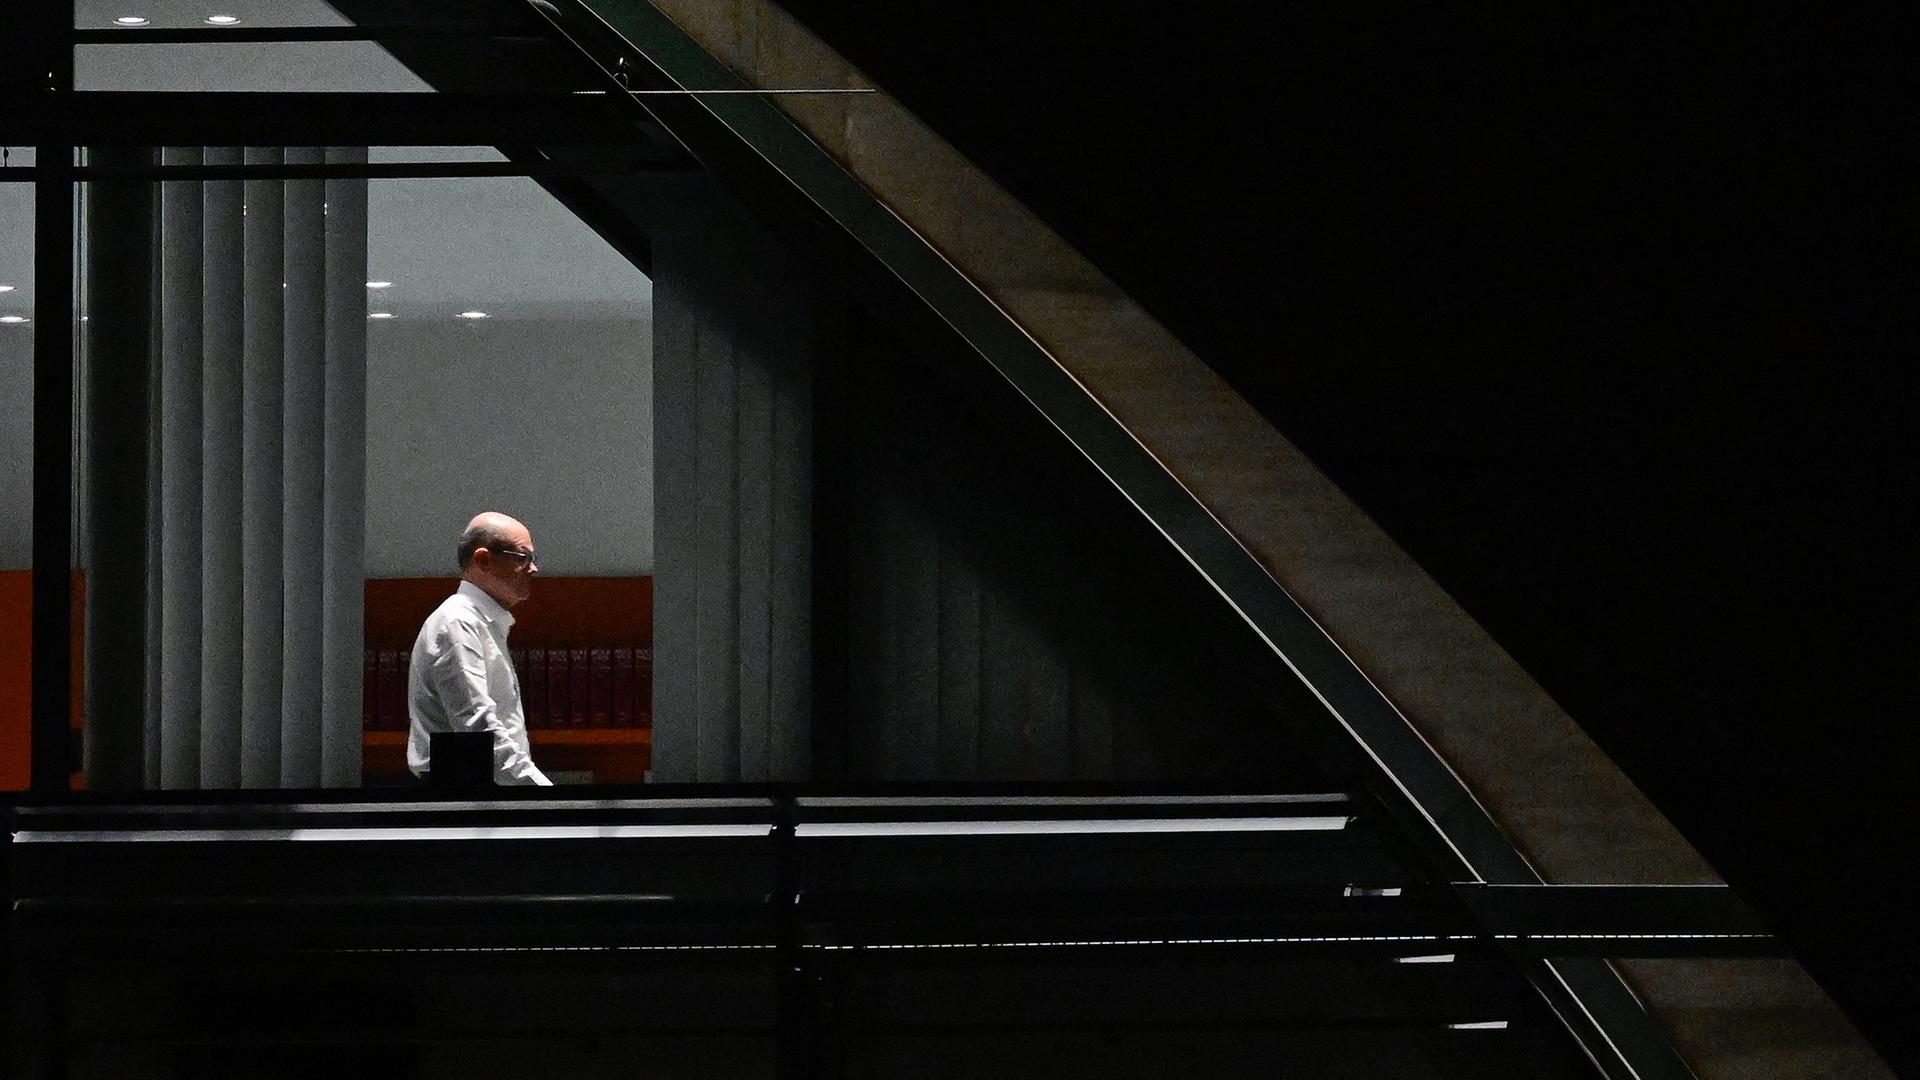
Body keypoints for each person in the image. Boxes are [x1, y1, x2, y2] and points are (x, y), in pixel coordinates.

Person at [407, 512, 552, 786]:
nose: (533, 569)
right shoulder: (458, 624)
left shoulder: (477, 622)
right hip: (463, 793)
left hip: (477, 787)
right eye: (523, 558)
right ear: (484, 560)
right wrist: (541, 794)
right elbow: (477, 728)